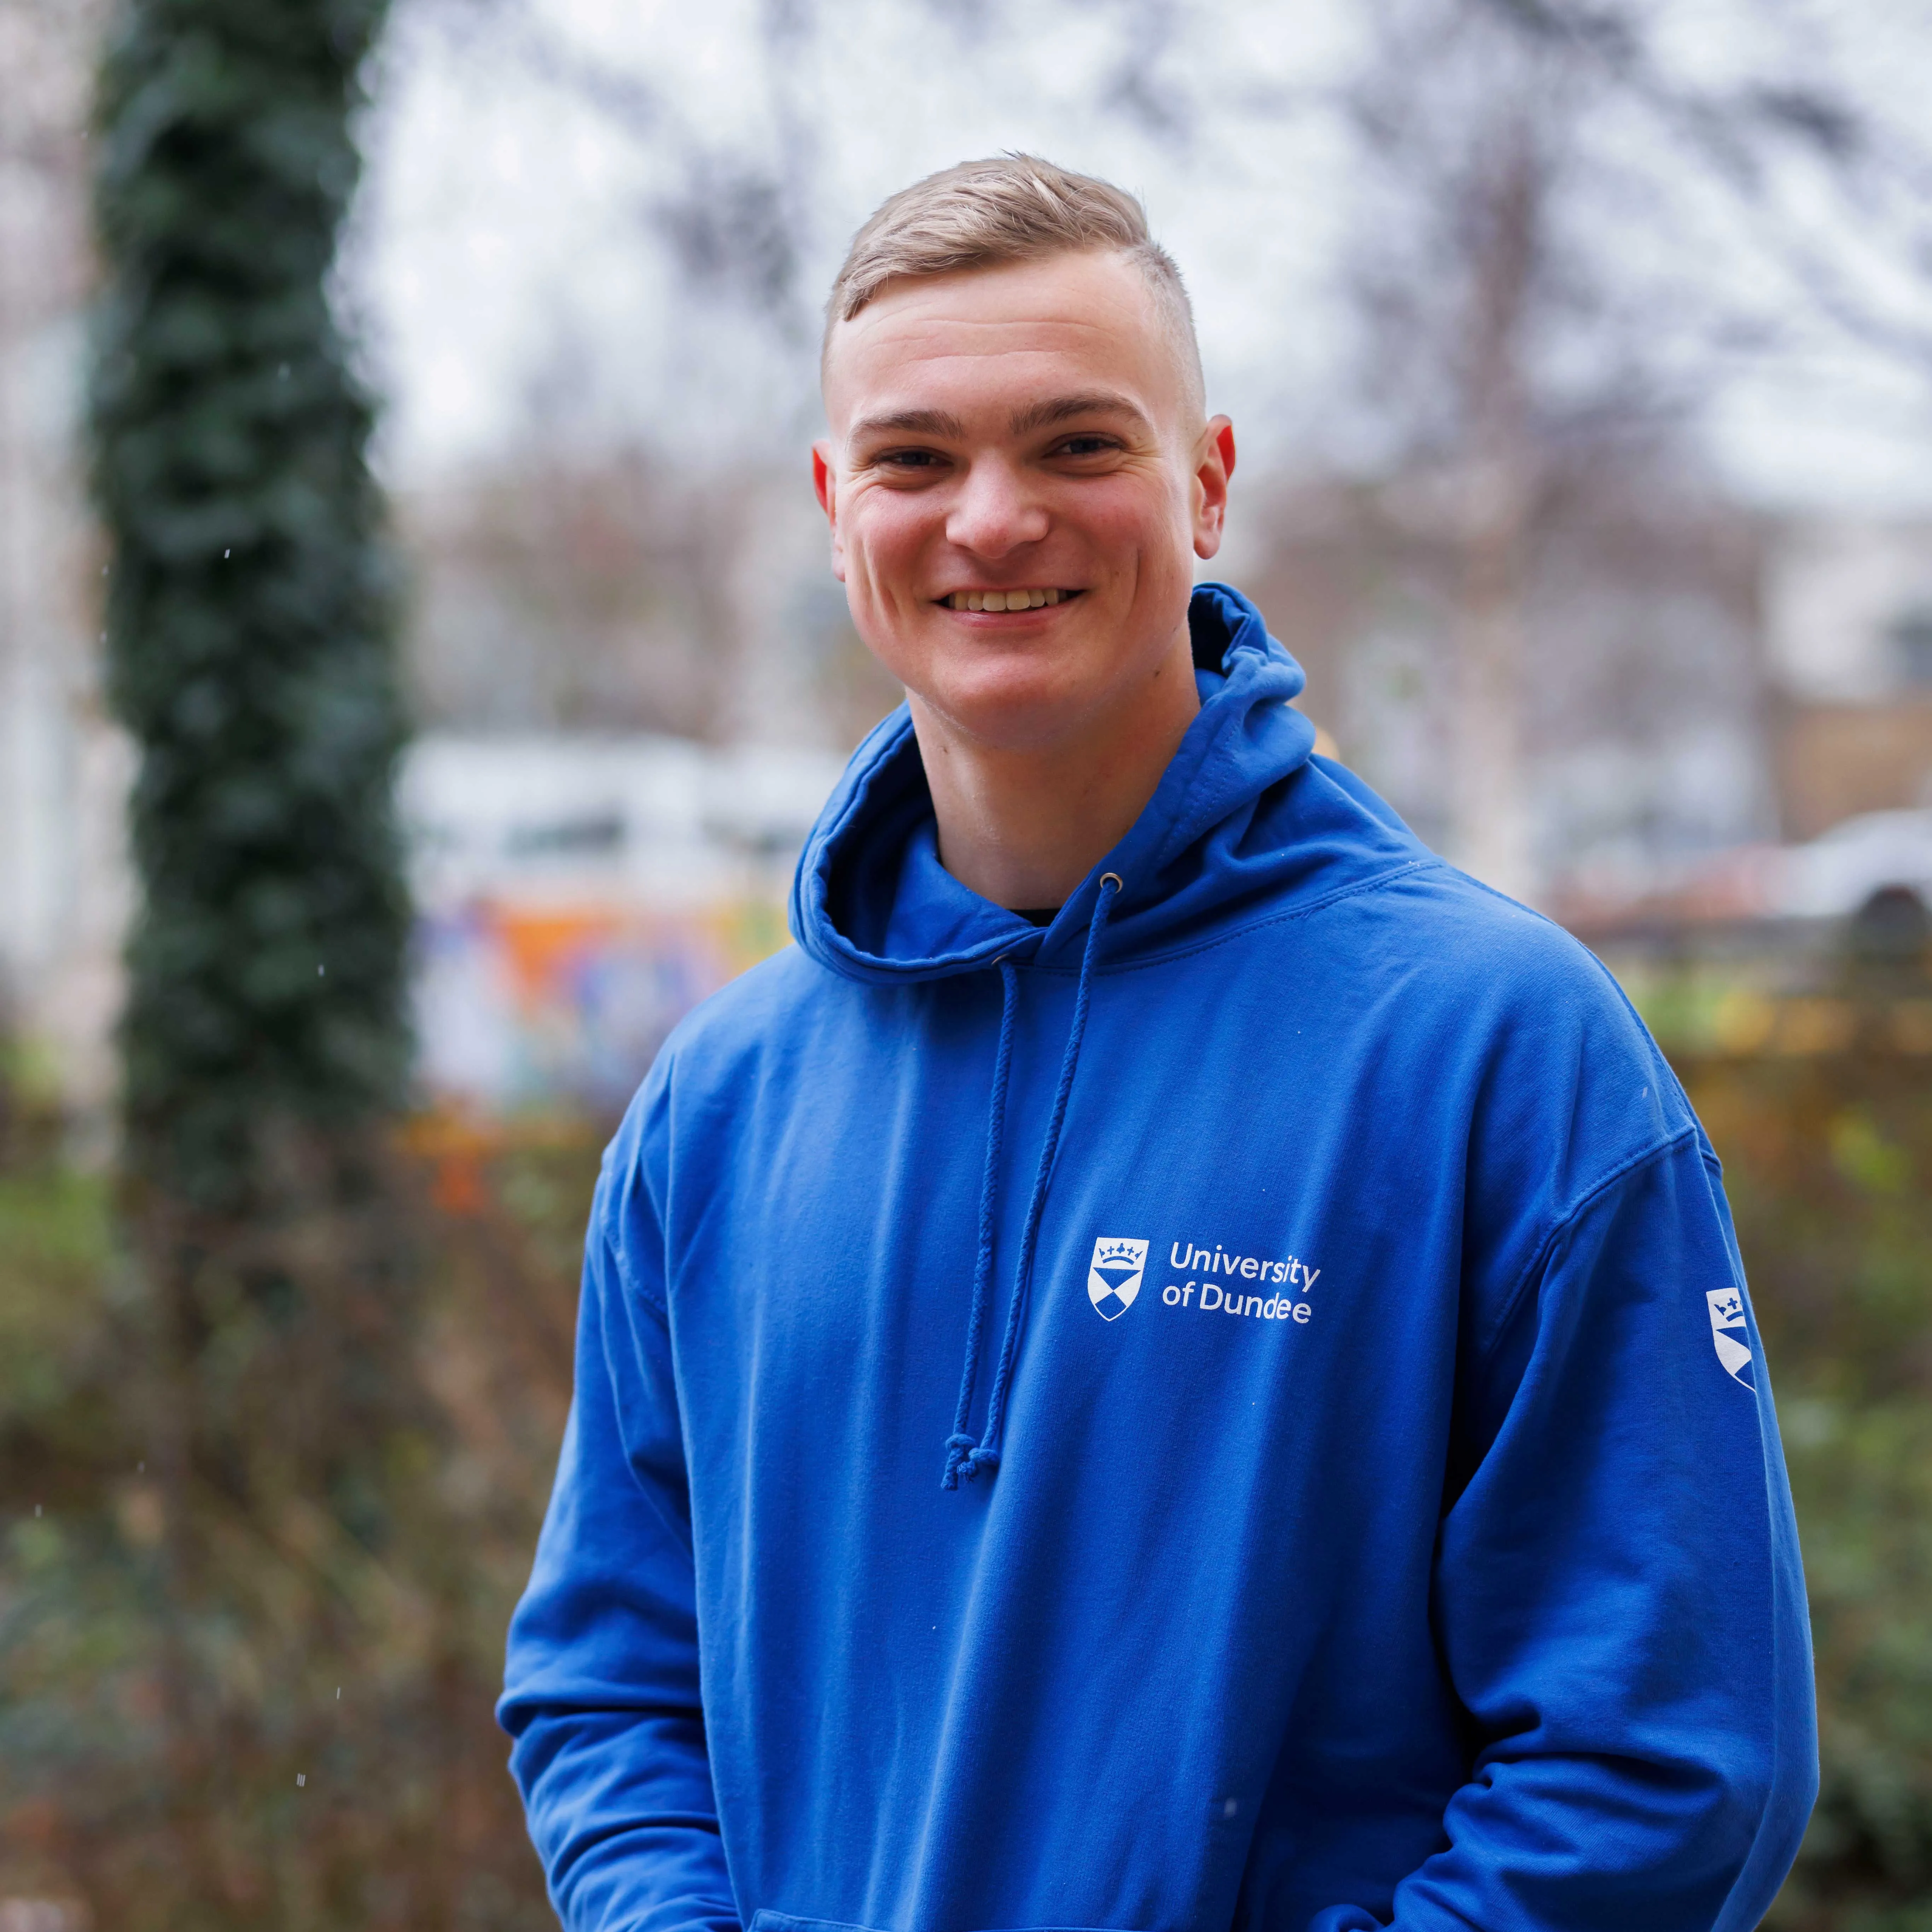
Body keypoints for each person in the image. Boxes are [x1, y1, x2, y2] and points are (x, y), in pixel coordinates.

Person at [499, 155, 1816, 1932]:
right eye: (913, 459)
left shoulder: (1490, 1050)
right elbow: (612, 1686)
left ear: (1204, 485)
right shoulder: (717, 1109)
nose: (989, 519)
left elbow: (1664, 1765)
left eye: (1074, 446)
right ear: (833, 507)